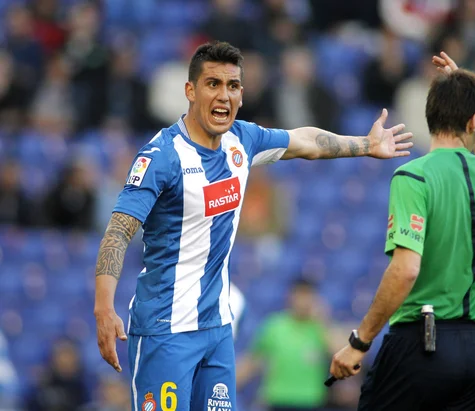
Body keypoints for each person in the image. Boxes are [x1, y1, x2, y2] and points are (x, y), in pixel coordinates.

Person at [93, 41, 413, 411]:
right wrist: (104, 307)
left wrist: (365, 144)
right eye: (213, 84)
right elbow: (118, 231)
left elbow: (304, 141)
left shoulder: (241, 140)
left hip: (217, 330)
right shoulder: (161, 157)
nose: (224, 96)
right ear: (190, 91)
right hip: (166, 331)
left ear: (242, 94)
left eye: (233, 86)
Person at [329, 52, 475, 411]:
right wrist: (469, 102)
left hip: (423, 346)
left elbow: (406, 269)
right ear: (474, 121)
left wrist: (360, 341)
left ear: (430, 114)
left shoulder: (414, 176)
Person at [236, 279, 330, 411]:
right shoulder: (274, 325)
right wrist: (228, 384)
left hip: (311, 401)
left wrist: (323, 321)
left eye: (308, 295)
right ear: (290, 297)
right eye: (300, 295)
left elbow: (339, 352)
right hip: (277, 399)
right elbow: (253, 360)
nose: (303, 301)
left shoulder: (321, 328)